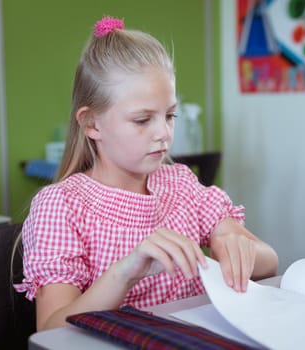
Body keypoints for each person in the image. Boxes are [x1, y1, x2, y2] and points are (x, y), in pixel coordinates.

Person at [14, 16, 278, 331]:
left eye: (170, 115)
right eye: (142, 120)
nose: (163, 134)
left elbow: (270, 262)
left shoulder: (181, 184)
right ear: (92, 124)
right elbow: (52, 329)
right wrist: (125, 273)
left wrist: (232, 244)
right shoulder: (61, 206)